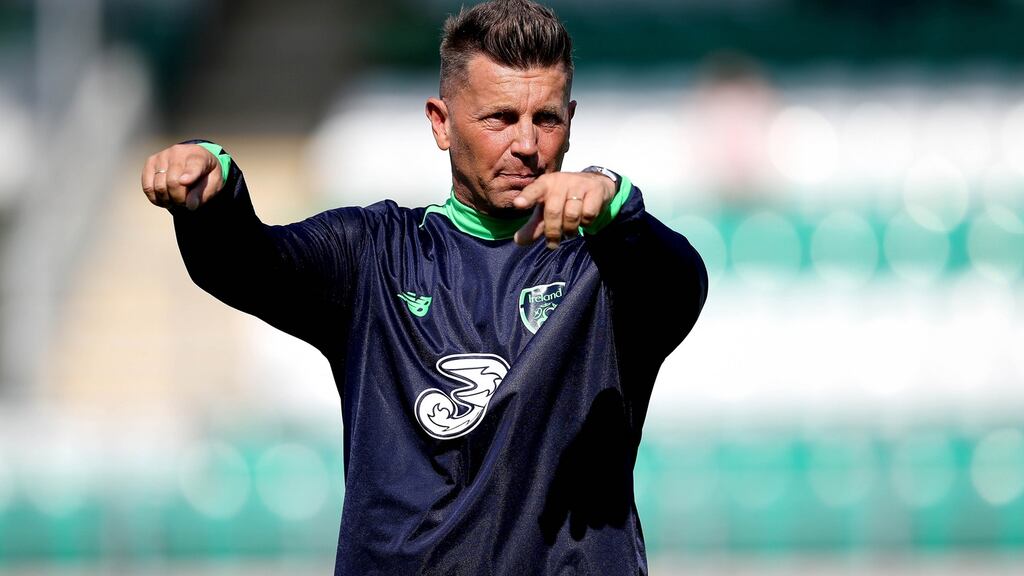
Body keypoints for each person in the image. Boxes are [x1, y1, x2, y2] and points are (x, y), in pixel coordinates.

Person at [141, 0, 707, 573]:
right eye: (499, 118)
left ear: (571, 120)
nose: (528, 144)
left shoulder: (606, 267)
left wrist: (614, 201)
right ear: (441, 122)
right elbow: (247, 264)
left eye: (547, 119)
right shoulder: (374, 254)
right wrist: (212, 190)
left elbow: (681, 285)